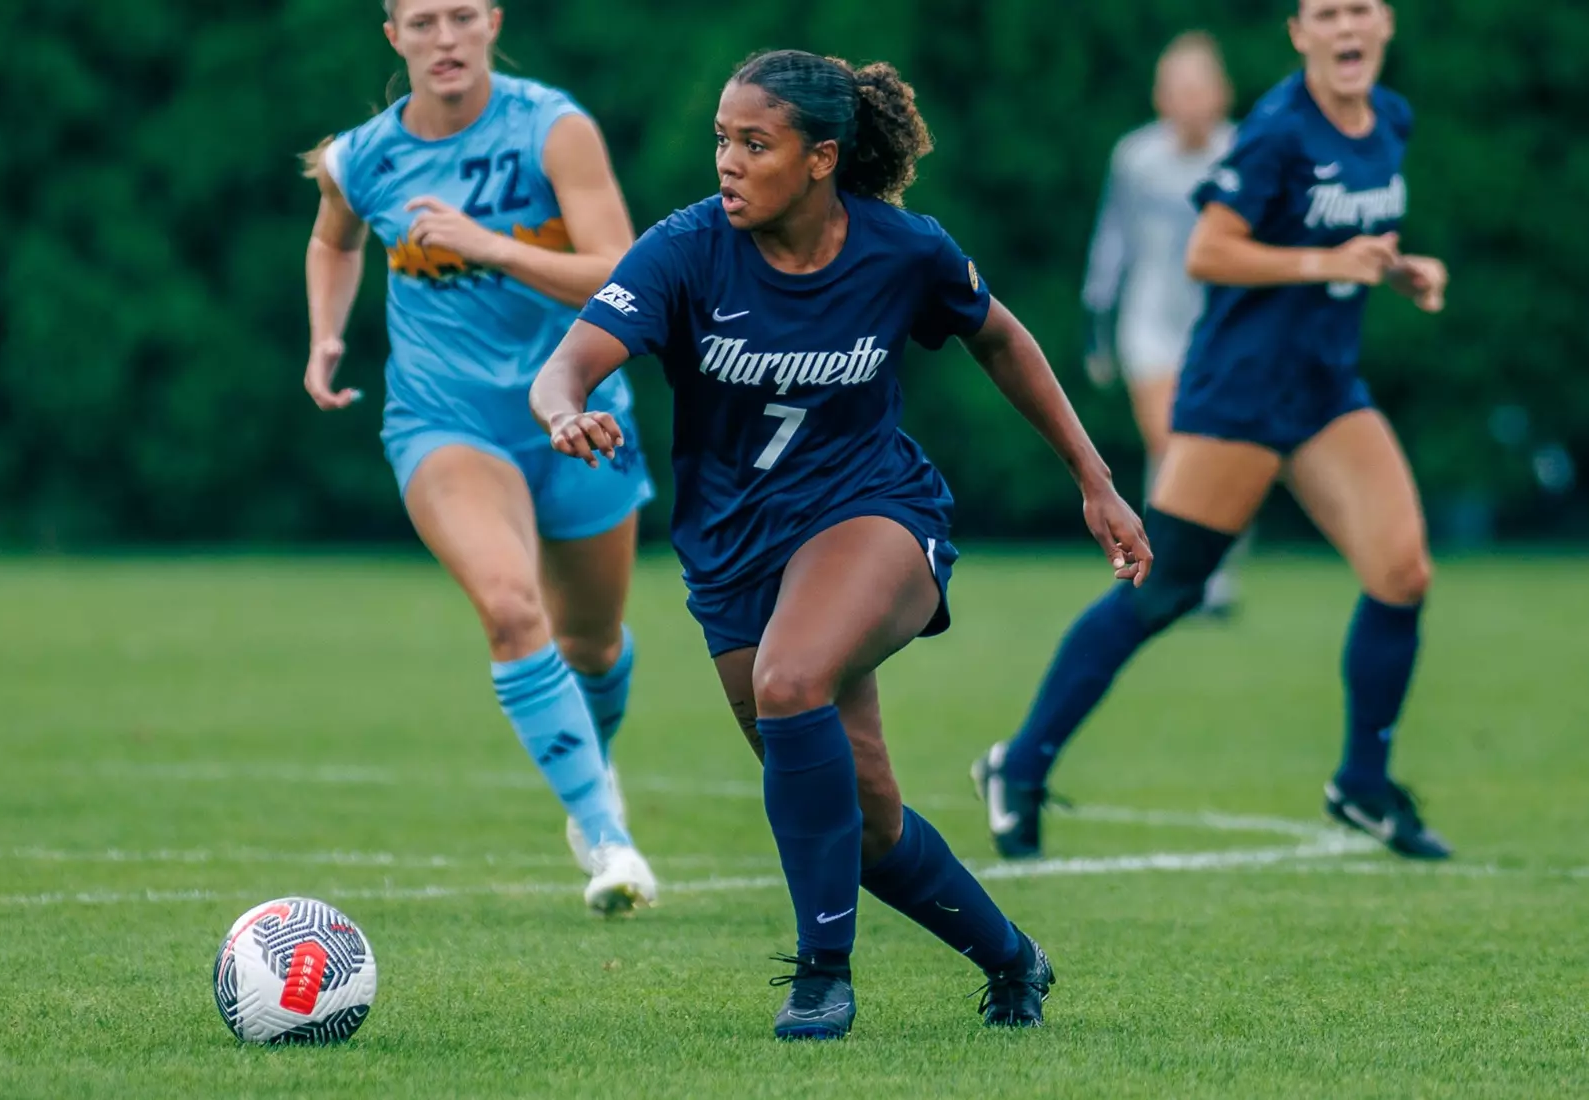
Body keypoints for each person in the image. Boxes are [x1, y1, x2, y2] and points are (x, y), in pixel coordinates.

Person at [531, 49, 1150, 1040]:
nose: (728, 162)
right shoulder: (683, 250)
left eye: (755, 143)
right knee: (859, 821)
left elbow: (1003, 338)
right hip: (734, 554)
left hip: (875, 515)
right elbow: (569, 365)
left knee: (789, 681)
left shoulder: (905, 250)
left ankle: (822, 973)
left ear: (822, 157)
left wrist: (1097, 481)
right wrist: (564, 409)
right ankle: (1012, 957)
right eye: (722, 141)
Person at [975, 0, 1452, 864]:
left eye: (1361, 10)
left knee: (1403, 572)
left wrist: (1399, 269)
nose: (1346, 26)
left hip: (1324, 387)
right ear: (1299, 35)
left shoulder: (1391, 119)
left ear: (1384, 24)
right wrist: (1325, 262)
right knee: (1167, 586)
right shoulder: (1274, 131)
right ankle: (1021, 763)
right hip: (1239, 390)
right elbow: (1210, 250)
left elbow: (1349, 231)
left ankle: (1363, 784)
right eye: (1325, 13)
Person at [300, 0, 657, 915]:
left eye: (461, 16)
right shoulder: (363, 157)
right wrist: (325, 336)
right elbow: (333, 239)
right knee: (509, 608)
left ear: (493, 22)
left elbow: (624, 268)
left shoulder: (554, 128)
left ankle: (594, 774)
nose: (444, 39)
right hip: (444, 420)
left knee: (591, 642)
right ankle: (608, 841)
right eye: (421, 23)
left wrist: (488, 245)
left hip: (580, 414)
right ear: (394, 39)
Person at [1083, 31, 1244, 617]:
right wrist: (1096, 327)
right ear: (1161, 96)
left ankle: (1214, 574)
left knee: (1220, 450)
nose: (1189, 101)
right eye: (1177, 89)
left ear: (1221, 94)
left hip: (1219, 325)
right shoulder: (1137, 158)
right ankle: (1169, 569)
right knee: (1169, 444)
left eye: (1199, 88)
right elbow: (1113, 242)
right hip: (1150, 321)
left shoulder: (1243, 152)